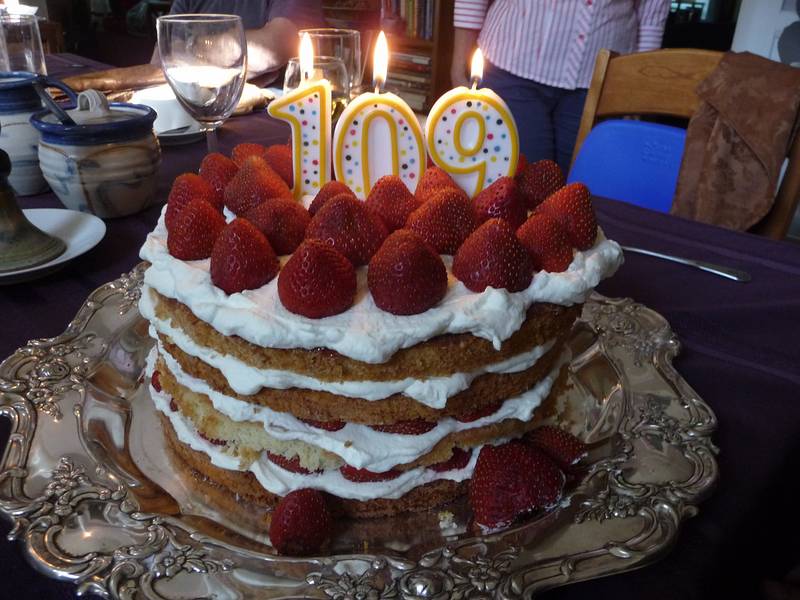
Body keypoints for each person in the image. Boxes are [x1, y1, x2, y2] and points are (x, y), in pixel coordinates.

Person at [451, 0, 671, 173]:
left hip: (600, 80)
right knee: (517, 186)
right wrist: (460, 56)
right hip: (511, 64)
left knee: (581, 194)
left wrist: (639, 84)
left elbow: (652, 12)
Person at [152, 0, 324, 82]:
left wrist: (192, 46)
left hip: (266, 125)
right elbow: (160, 62)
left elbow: (274, 47)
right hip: (187, 117)